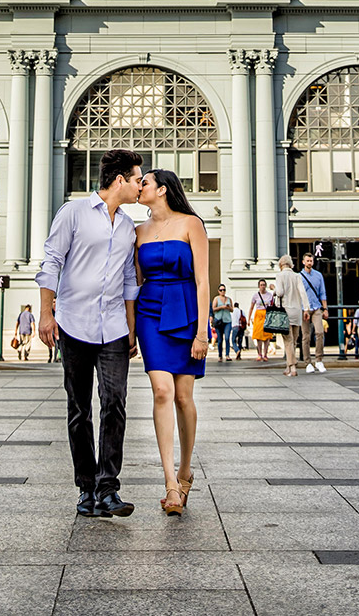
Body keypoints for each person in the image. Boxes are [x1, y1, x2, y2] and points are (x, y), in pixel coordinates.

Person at [37, 148, 144, 520]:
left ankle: (108, 487)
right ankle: (86, 488)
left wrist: (131, 328)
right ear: (120, 181)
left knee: (114, 404)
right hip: (73, 324)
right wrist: (46, 313)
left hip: (113, 327)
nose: (139, 186)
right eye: (136, 179)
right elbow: (51, 261)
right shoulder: (74, 212)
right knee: (79, 409)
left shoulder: (129, 226)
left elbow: (130, 279)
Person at [134, 168, 209, 516]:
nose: (139, 187)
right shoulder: (137, 232)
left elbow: (204, 281)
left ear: (162, 189)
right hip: (150, 312)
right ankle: (169, 483)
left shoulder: (192, 224)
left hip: (187, 311)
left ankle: (185, 470)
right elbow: (132, 283)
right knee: (162, 391)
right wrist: (131, 329)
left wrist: (202, 331)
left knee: (183, 396)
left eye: (144, 182)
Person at [273, 256, 309, 378]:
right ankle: (288, 367)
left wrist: (273, 289)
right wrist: (307, 309)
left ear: (281, 264)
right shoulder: (297, 276)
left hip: (285, 311)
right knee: (294, 340)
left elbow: (280, 293)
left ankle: (293, 367)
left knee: (287, 340)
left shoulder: (280, 276)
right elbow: (303, 292)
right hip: (297, 311)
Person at [297, 251, 328, 374]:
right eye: (307, 260)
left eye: (311, 260)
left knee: (320, 332)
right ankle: (307, 362)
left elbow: (322, 293)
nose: (309, 262)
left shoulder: (318, 275)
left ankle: (319, 359)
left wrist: (325, 309)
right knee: (305, 336)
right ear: (303, 262)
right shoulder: (298, 276)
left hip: (316, 307)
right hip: (304, 308)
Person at [249, 279, 275, 361]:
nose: (262, 286)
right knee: (258, 335)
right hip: (258, 315)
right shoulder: (255, 295)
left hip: (267, 314)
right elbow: (252, 307)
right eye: (261, 285)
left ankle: (265, 354)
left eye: (264, 285)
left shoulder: (270, 295)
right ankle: (259, 353)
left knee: (267, 335)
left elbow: (273, 305)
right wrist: (249, 318)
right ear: (258, 286)